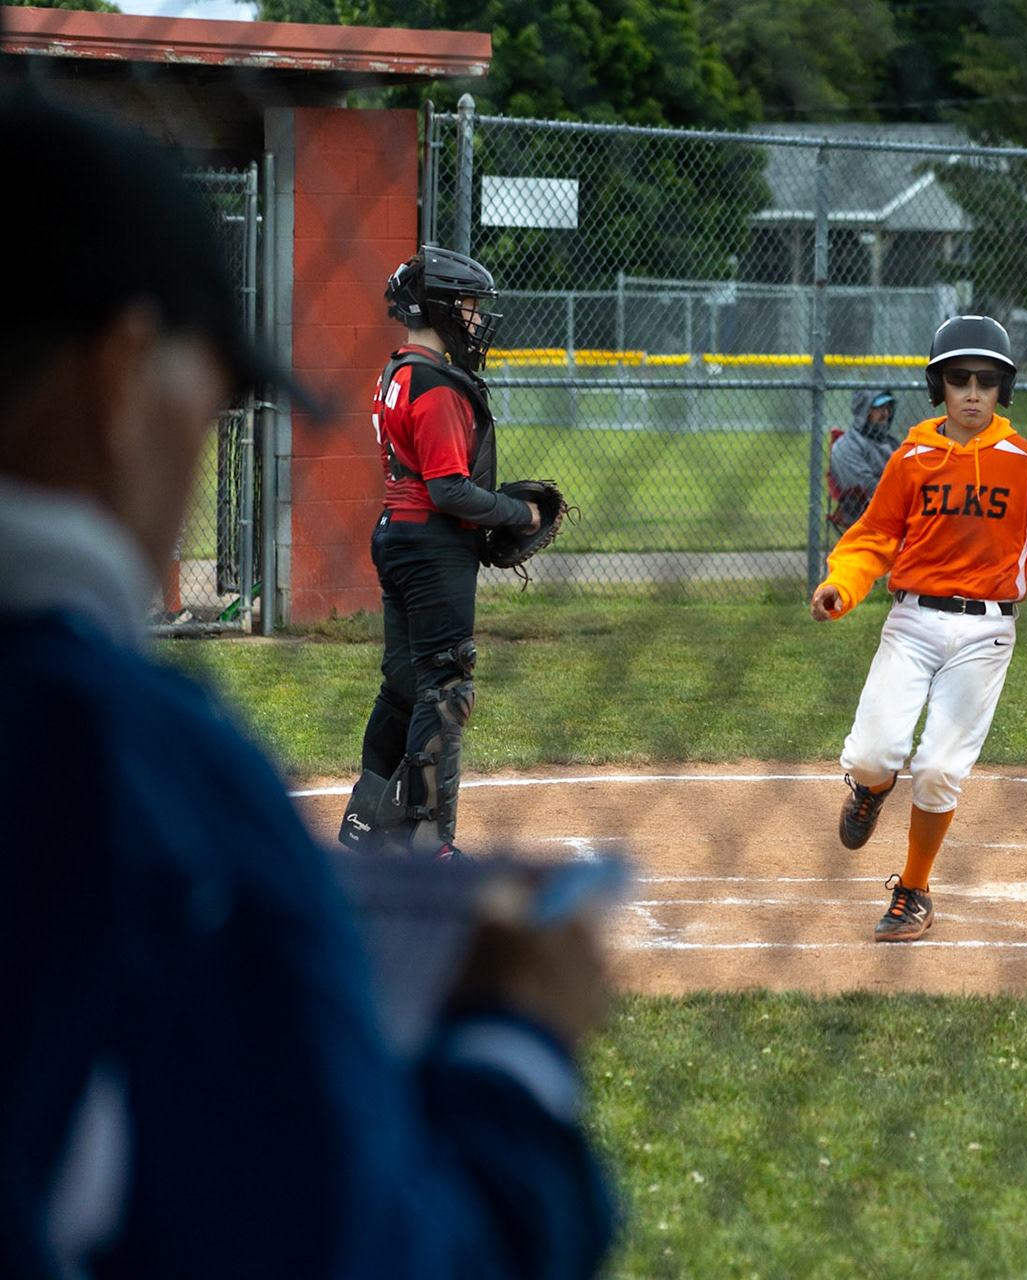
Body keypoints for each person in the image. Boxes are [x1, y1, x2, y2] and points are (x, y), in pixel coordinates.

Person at [0, 97, 611, 1277]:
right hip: (427, 554)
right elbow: (356, 1239)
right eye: (208, 388)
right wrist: (514, 1055)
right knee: (438, 683)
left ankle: (384, 818)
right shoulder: (129, 762)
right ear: (124, 372)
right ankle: (420, 836)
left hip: (407, 549)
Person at [809, 315, 1027, 941]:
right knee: (871, 753)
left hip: (986, 634)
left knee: (940, 768)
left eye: (987, 381)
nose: (973, 392)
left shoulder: (1026, 463)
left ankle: (913, 891)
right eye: (960, 379)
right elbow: (873, 540)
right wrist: (843, 587)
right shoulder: (912, 460)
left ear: (1003, 391)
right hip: (911, 622)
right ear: (939, 386)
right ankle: (870, 788)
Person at [337, 248, 542, 859]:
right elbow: (449, 487)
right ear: (443, 309)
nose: (476, 321)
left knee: (402, 688)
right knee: (445, 690)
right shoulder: (435, 382)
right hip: (431, 544)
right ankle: (432, 845)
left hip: (397, 533)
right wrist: (517, 512)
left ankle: (368, 826)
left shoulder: (397, 370)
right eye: (470, 308)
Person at [826, 389, 898, 533]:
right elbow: (867, 487)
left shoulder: (893, 442)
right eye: (879, 408)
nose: (886, 414)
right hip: (869, 516)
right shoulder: (847, 445)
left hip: (902, 509)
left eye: (887, 408)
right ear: (863, 412)